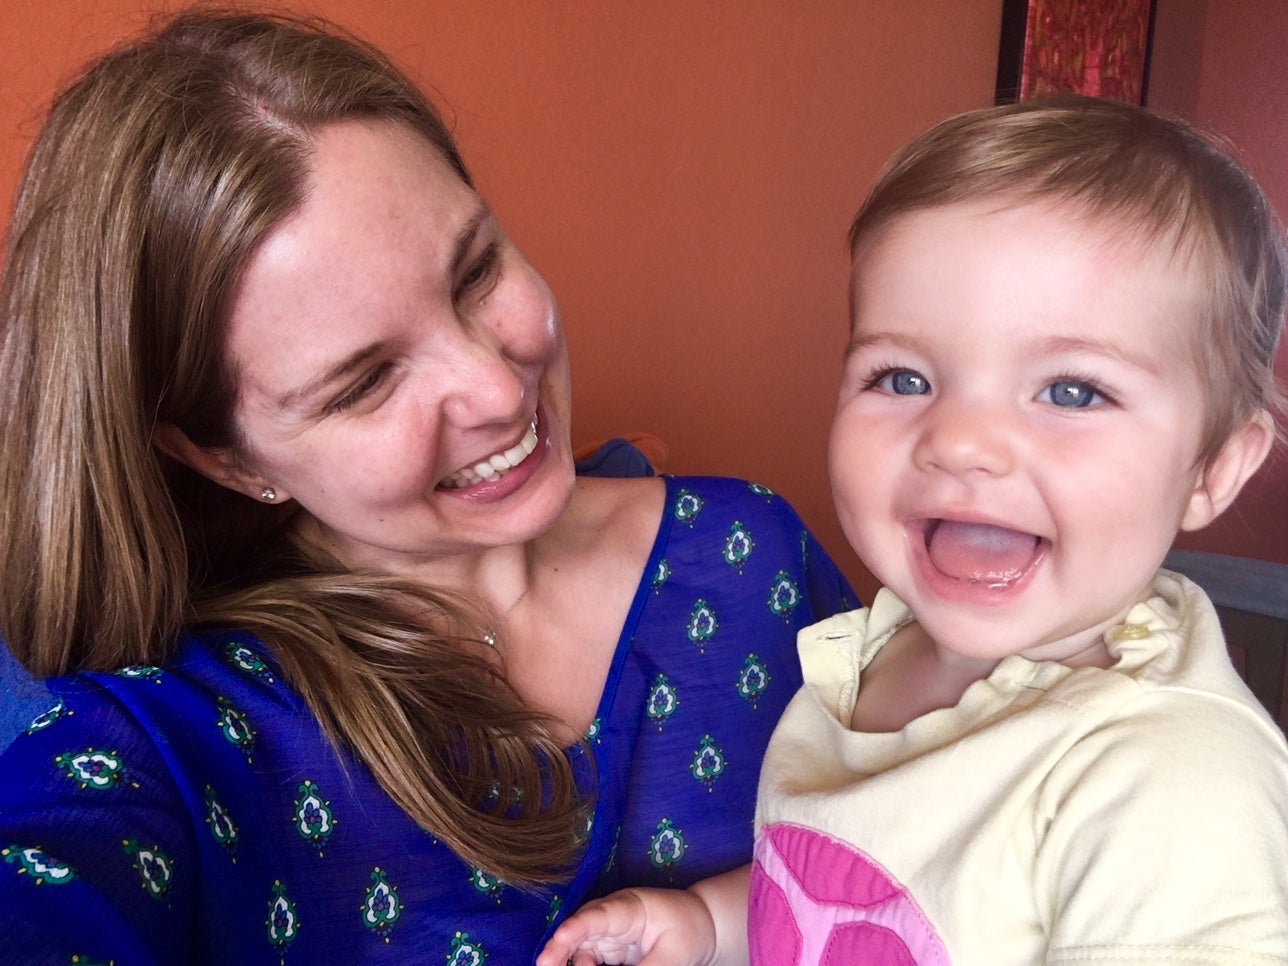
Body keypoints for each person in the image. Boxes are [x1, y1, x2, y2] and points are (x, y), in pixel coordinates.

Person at [0, 11, 855, 963]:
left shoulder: (754, 555)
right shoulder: (176, 743)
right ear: (224, 458)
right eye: (365, 382)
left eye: (476, 271)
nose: (498, 390)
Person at [537, 95, 1288, 965]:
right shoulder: (878, 649)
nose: (959, 441)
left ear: (1213, 467)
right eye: (902, 379)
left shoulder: (1173, 785)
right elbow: (855, 892)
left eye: (1072, 391)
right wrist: (706, 925)